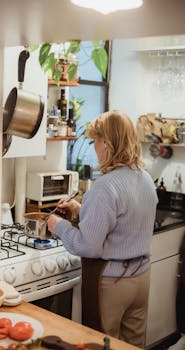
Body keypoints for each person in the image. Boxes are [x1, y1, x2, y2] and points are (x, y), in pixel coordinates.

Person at [47, 110, 158, 348]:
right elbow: (125, 220)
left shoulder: (105, 186)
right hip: (141, 277)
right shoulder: (145, 178)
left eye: (95, 140)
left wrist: (60, 226)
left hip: (112, 282)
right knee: (132, 345)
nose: (94, 146)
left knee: (100, 344)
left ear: (106, 144)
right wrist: (81, 209)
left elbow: (88, 246)